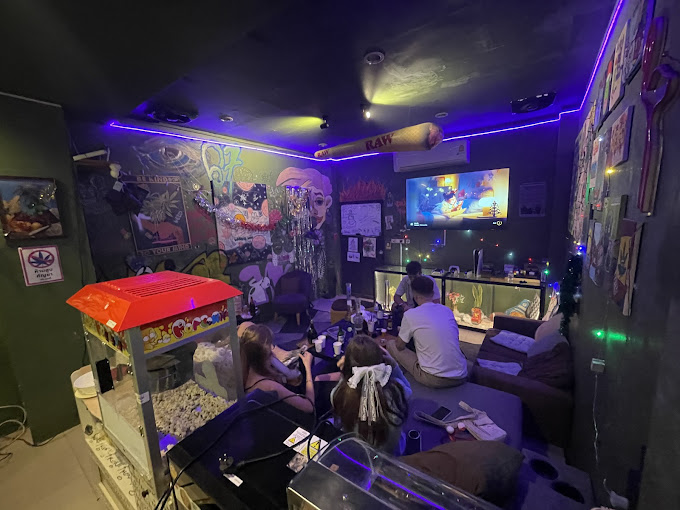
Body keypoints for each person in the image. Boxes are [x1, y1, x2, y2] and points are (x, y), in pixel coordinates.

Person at [324, 335, 412, 455]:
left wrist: (344, 372)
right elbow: (409, 389)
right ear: (382, 361)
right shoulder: (397, 390)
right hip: (391, 454)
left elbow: (346, 382)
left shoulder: (338, 393)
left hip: (358, 451)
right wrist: (394, 365)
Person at [386, 276, 467, 388]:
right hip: (461, 374)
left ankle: (401, 380)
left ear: (415, 296)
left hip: (433, 377)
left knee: (391, 344)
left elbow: (400, 346)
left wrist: (403, 333)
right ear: (433, 293)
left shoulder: (410, 315)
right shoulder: (447, 310)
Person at [239, 323, 315, 413]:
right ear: (262, 356)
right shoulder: (269, 386)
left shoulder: (244, 373)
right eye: (269, 350)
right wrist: (307, 367)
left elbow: (291, 378)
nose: (273, 353)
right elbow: (309, 407)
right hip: (299, 417)